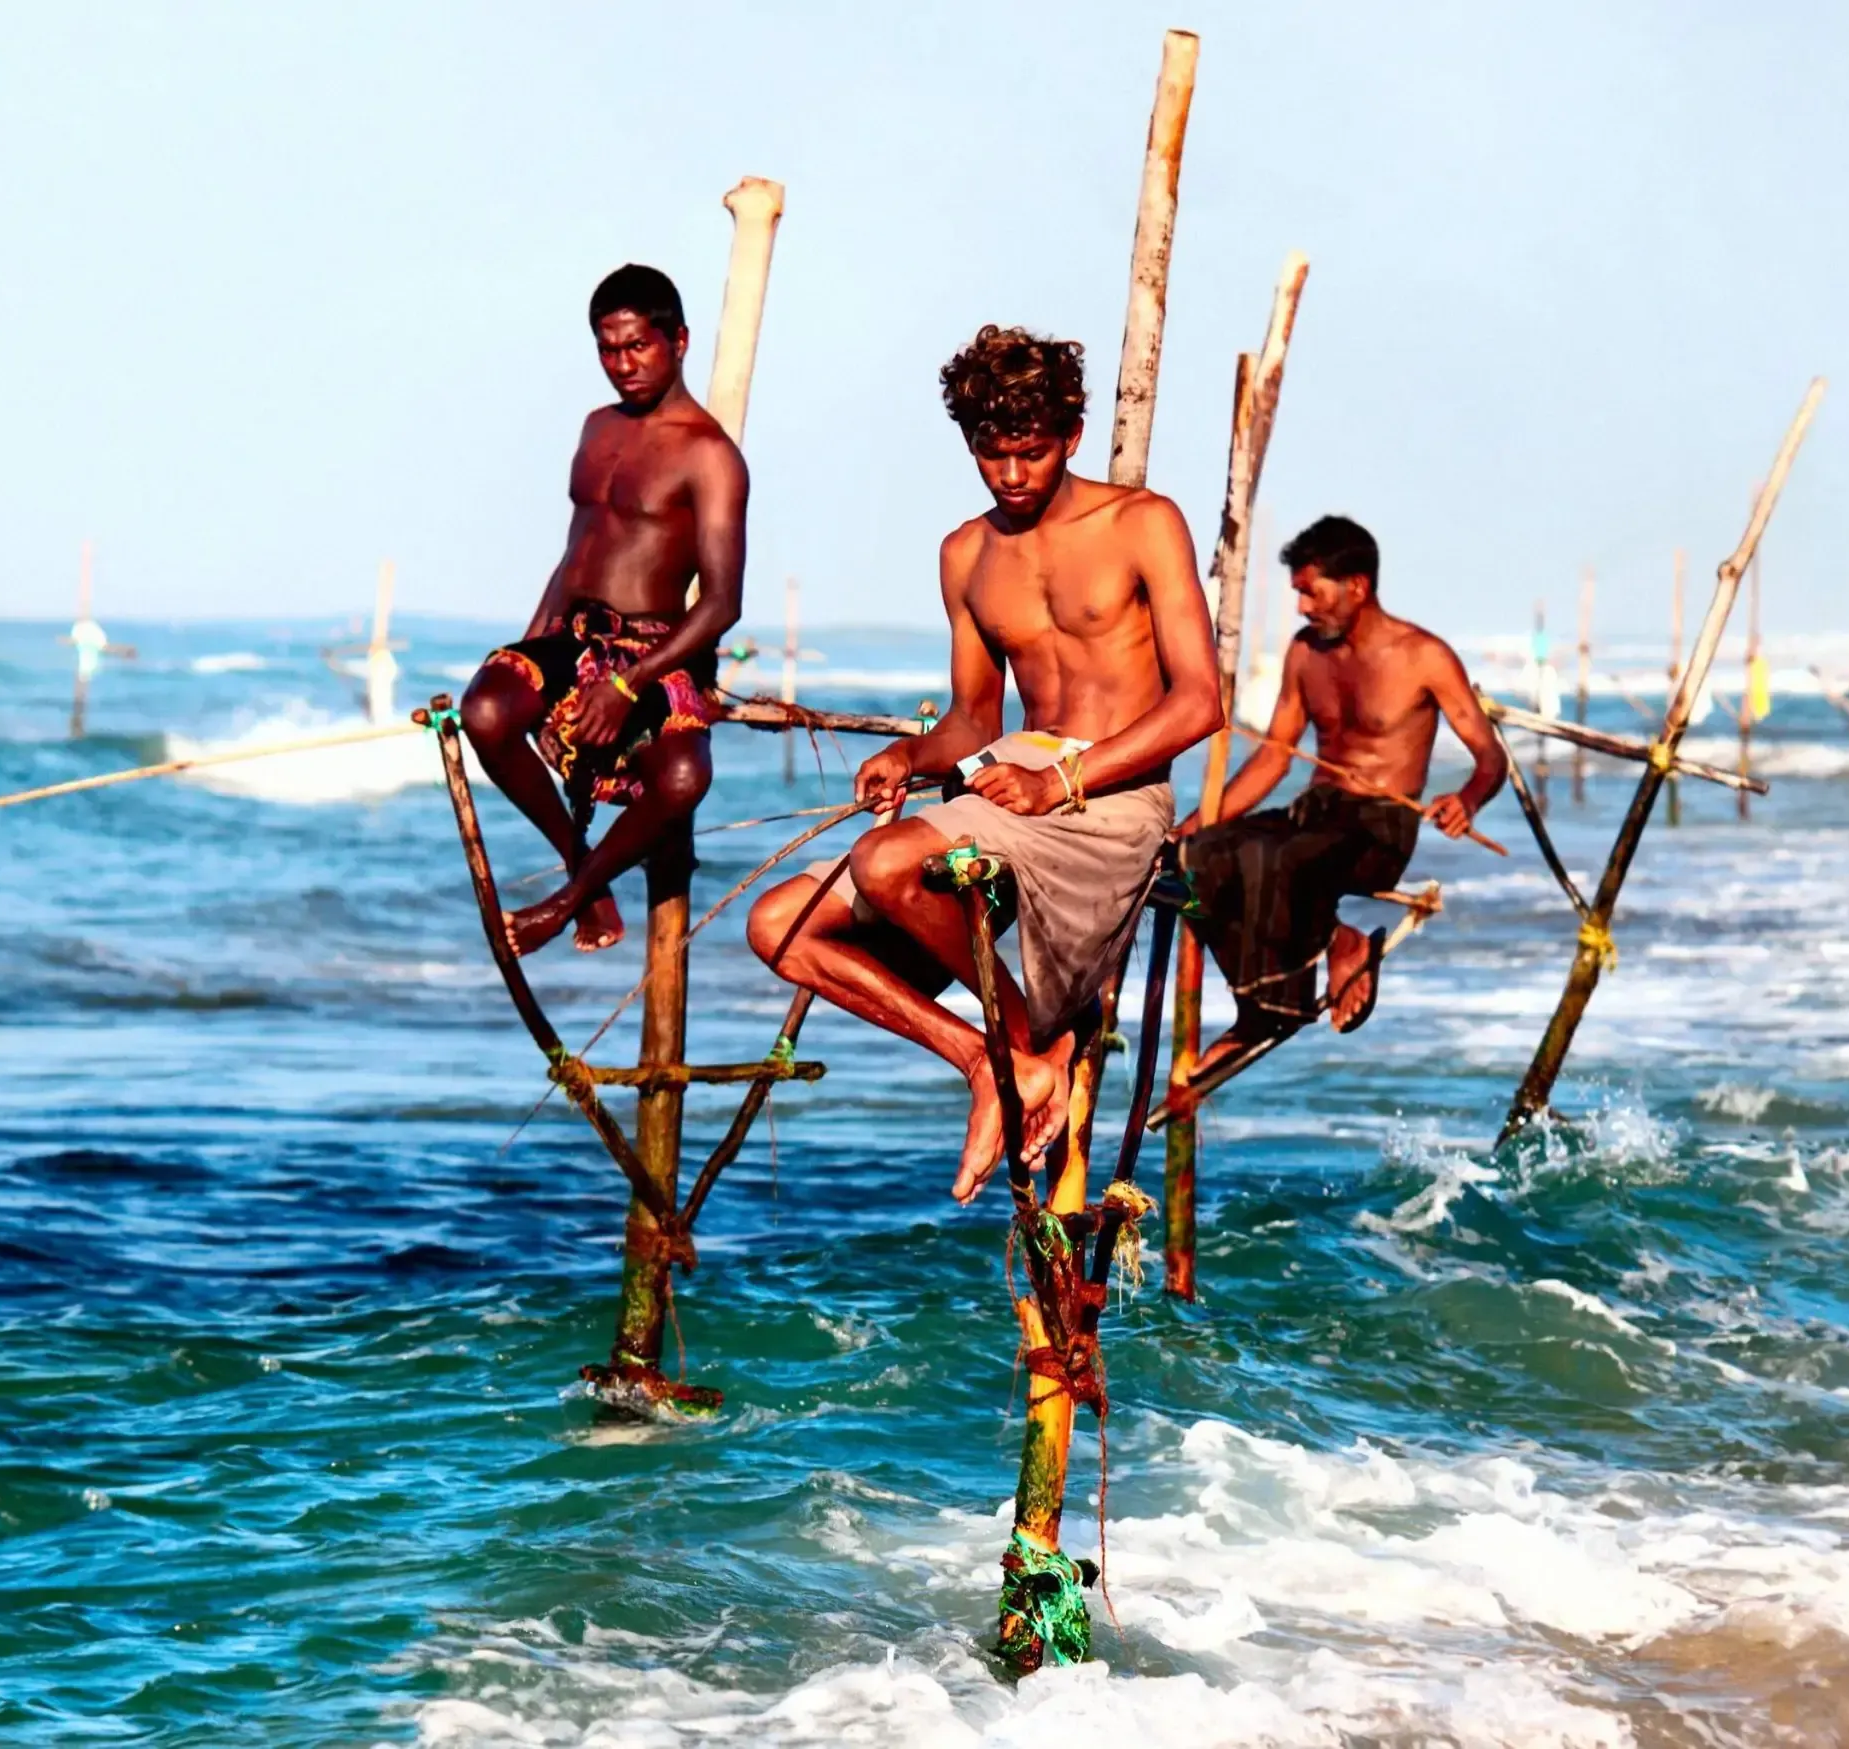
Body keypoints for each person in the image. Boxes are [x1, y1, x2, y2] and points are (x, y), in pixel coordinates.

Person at [744, 326, 1221, 1201]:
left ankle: (1018, 1053)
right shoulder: (965, 553)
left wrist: (1061, 779)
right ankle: (993, 1061)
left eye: (1030, 453)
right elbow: (973, 720)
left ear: (1072, 434)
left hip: (1107, 798)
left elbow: (1199, 704)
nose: (1011, 475)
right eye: (990, 455)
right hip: (1010, 785)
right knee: (777, 924)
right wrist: (910, 755)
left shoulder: (1143, 525)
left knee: (883, 861)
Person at [459, 264, 748, 955]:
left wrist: (627, 685)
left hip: (651, 647)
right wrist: (530, 649)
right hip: (574, 630)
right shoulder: (596, 430)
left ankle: (569, 900)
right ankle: (579, 863)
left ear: (678, 340)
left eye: (637, 347)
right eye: (608, 349)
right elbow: (575, 555)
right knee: (486, 710)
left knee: (683, 777)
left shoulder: (710, 455)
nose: (623, 365)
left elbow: (722, 604)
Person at [1171, 514, 1508, 1093]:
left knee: (1275, 859)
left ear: (1357, 586)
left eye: (1311, 592)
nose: (1302, 607)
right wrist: (1198, 826)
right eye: (1298, 592)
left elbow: (1490, 757)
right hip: (1316, 814)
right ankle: (1330, 942)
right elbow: (1275, 759)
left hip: (1380, 828)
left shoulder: (1424, 655)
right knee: (1198, 861)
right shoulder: (1306, 654)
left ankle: (1272, 1010)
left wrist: (1468, 799)